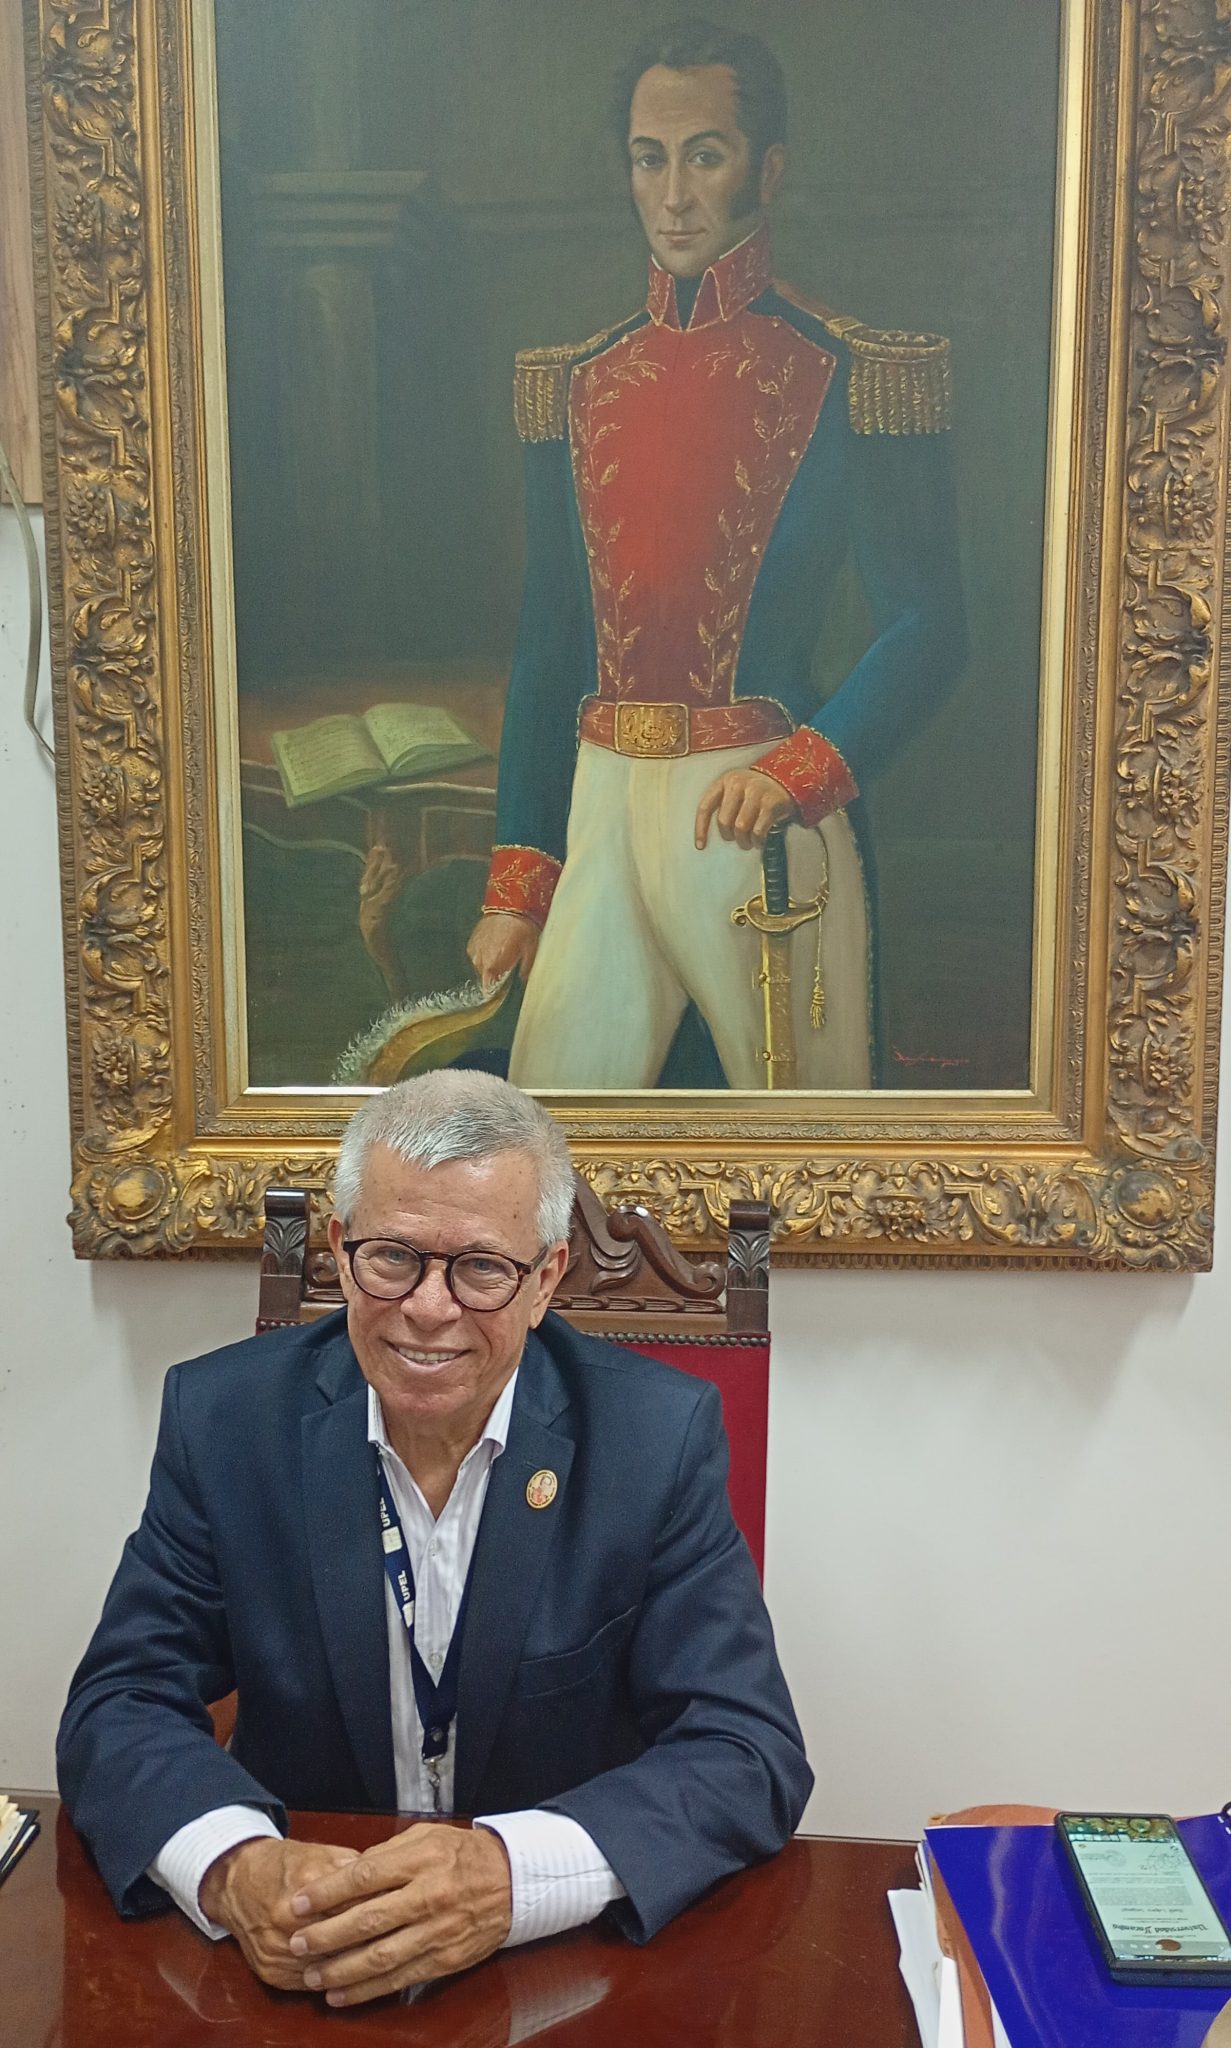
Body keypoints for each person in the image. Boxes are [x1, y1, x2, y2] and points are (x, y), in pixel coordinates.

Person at [58, 1070, 811, 2008]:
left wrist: (510, 1876)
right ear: (340, 1251)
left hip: (556, 1976)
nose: (427, 1307)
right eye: (392, 1257)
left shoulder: (653, 1439)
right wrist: (234, 1863)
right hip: (304, 1945)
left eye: (482, 1269)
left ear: (544, 1279)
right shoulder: (225, 1420)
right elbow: (120, 1703)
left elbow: (745, 1750)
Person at [468, 17, 966, 1090]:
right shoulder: (574, 382)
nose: (674, 195)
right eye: (649, 159)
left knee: (808, 1149)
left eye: (705, 156)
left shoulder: (854, 371)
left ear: (765, 170)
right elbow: (548, 646)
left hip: (760, 811)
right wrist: (520, 877)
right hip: (599, 808)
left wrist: (799, 772)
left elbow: (928, 624)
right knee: (556, 1132)